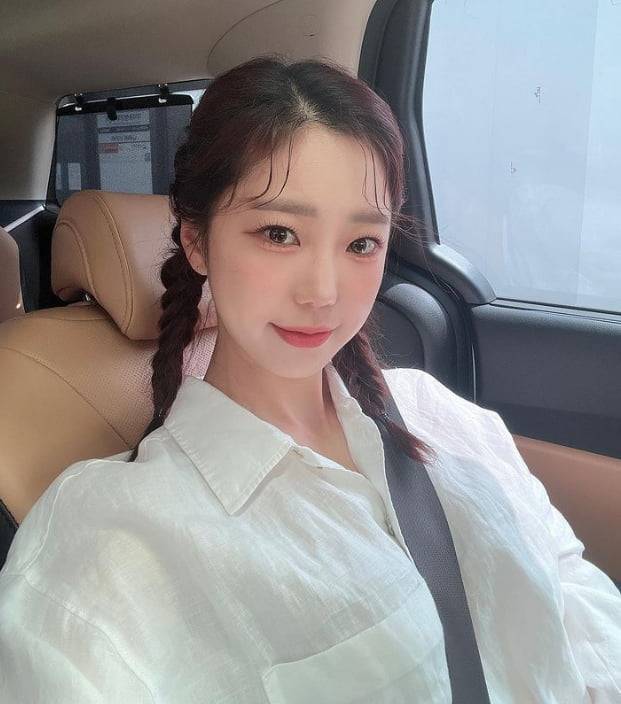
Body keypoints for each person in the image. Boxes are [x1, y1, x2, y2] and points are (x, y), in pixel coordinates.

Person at [0, 55, 620, 704]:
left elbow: (570, 590)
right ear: (197, 240)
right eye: (279, 234)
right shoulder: (112, 541)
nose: (324, 293)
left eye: (361, 244)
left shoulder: (436, 413)